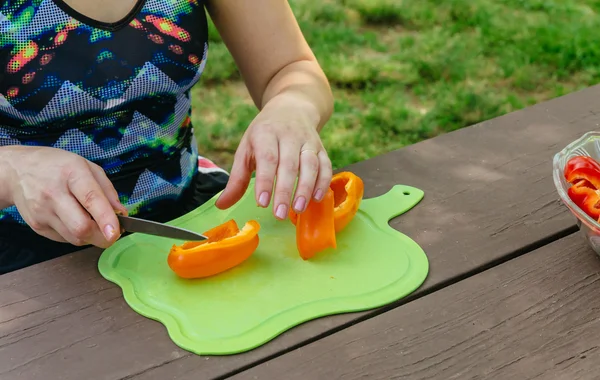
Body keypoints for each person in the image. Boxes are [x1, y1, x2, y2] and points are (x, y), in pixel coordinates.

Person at [0, 0, 333, 274]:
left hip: (192, 215)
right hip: (23, 258)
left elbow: (290, 67)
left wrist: (292, 106)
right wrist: (13, 171)